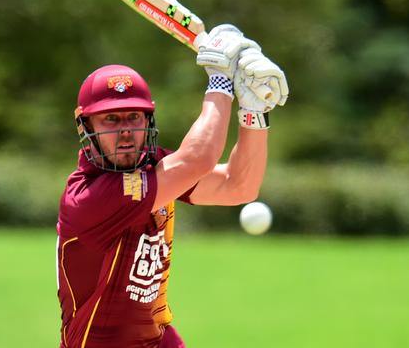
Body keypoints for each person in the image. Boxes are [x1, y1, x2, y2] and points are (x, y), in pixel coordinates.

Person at [56, 25, 288, 348]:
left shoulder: (158, 170)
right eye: (111, 119)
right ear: (86, 127)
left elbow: (239, 185)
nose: (125, 131)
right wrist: (220, 81)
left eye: (134, 116)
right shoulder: (88, 198)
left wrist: (254, 111)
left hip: (158, 340)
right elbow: (198, 159)